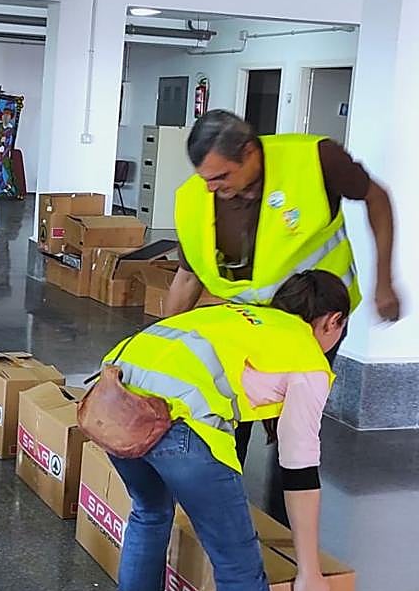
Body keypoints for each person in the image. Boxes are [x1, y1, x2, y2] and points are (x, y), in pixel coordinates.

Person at [99, 271, 348, 591]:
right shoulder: (304, 352)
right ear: (332, 321)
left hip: (113, 401)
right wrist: (308, 572)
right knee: (237, 567)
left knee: (149, 514)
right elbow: (300, 472)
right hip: (177, 425)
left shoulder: (242, 315)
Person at [165, 109, 398, 462]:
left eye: (222, 176)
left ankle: (290, 504)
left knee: (295, 426)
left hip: (313, 320)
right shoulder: (194, 197)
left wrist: (385, 280)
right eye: (206, 179)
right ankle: (229, 496)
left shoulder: (315, 159)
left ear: (249, 152)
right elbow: (187, 275)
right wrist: (164, 343)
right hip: (246, 324)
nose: (213, 188)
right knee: (230, 416)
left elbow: (376, 198)